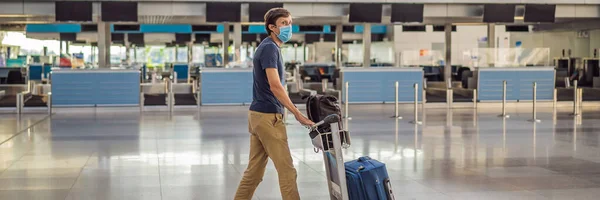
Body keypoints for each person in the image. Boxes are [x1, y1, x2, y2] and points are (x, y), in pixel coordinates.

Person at [234, 8, 315, 200]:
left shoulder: (270, 47)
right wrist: (297, 113)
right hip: (268, 118)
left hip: (258, 116)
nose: (289, 26)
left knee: (253, 173)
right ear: (272, 27)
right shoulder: (270, 48)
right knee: (287, 170)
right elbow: (275, 86)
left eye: (290, 22)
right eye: (284, 23)